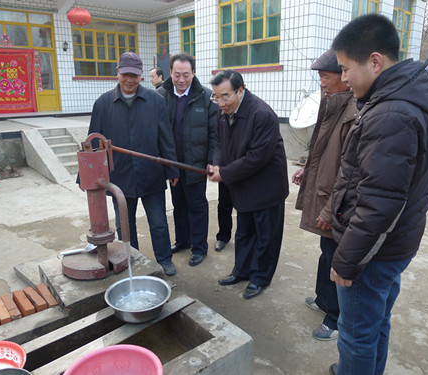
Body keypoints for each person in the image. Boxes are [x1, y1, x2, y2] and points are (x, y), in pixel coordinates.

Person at [328, 14, 428, 375]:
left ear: (375, 61)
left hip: (373, 253)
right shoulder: (402, 96)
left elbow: (380, 203)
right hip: (394, 244)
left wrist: (346, 261)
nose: (343, 79)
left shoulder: (392, 112)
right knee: (376, 322)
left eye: (346, 69)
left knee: (356, 333)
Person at [86, 52, 179, 276]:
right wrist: (90, 180)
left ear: (141, 76)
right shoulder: (103, 103)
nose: (129, 80)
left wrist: (172, 167)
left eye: (134, 76)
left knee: (158, 222)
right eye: (125, 75)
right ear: (117, 73)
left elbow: (165, 137)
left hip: (151, 173)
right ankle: (132, 260)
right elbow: (93, 144)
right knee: (125, 226)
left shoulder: (155, 100)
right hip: (120, 176)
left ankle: (164, 259)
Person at [292, 49, 358, 341]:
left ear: (344, 77)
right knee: (325, 252)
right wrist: (308, 169)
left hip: (339, 202)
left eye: (325, 77)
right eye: (319, 77)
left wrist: (331, 209)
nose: (321, 83)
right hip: (326, 193)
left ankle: (335, 319)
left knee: (336, 258)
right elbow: (322, 149)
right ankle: (323, 300)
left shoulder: (353, 111)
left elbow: (351, 170)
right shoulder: (332, 103)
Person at [208, 70, 289, 299]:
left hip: (266, 187)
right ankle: (241, 271)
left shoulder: (262, 114)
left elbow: (258, 157)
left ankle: (259, 278)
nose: (221, 103)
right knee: (244, 232)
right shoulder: (223, 113)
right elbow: (220, 145)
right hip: (242, 183)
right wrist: (216, 165)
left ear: (241, 89)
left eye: (225, 96)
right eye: (216, 97)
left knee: (266, 236)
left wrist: (225, 172)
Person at [157, 53, 217, 267]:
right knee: (178, 204)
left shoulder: (206, 97)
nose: (181, 80)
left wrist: (212, 161)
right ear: (170, 73)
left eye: (186, 75)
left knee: (197, 206)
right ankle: (183, 240)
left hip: (196, 165)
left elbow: (214, 134)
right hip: (172, 164)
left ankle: (199, 248)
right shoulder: (161, 95)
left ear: (193, 73)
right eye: (177, 75)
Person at [214, 181, 233, 251]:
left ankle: (248, 238)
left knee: (246, 205)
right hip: (226, 172)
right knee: (224, 203)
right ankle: (223, 236)